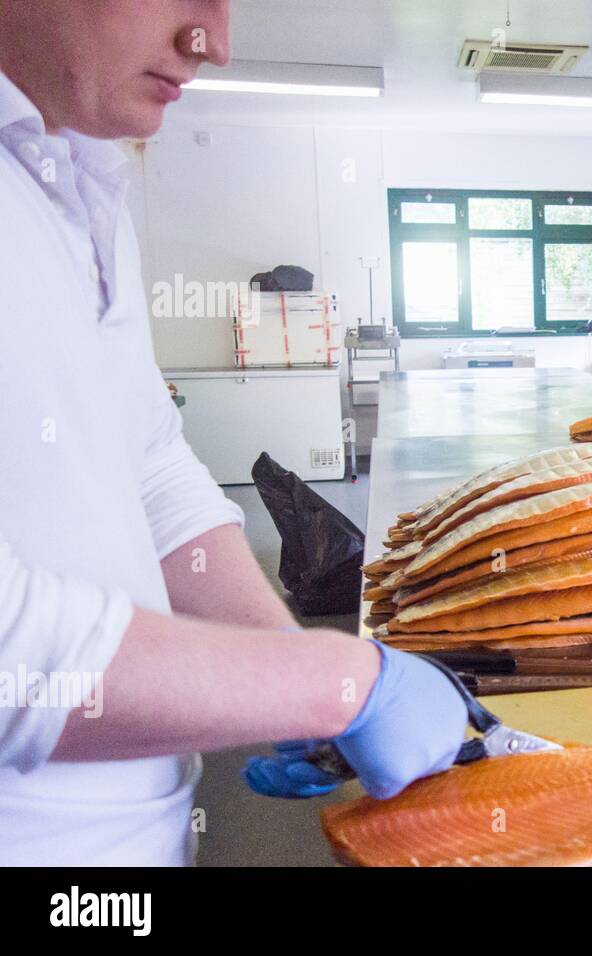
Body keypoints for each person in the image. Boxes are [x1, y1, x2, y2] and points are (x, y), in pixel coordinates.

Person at [0, 0, 466, 866]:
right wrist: (335, 686)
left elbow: (152, 467)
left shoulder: (77, 183)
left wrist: (281, 659)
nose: (212, 39)